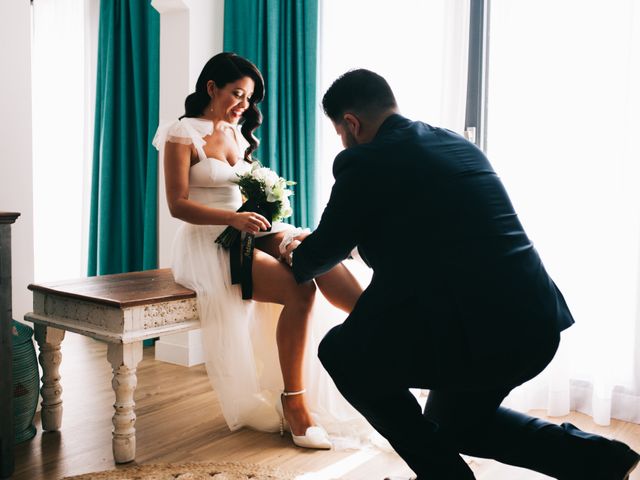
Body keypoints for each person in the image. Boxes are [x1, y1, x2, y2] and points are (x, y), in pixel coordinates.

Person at [284, 69, 640, 479]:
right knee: (456, 426)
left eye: (340, 133)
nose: (344, 142)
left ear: (351, 123)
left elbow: (319, 253)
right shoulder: (454, 143)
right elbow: (434, 229)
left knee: (341, 352)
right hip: (536, 322)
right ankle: (601, 460)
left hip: (478, 332)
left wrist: (293, 248)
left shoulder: (365, 161)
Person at [152, 52, 369, 450]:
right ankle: (295, 404)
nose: (244, 105)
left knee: (309, 249)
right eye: (237, 93)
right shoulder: (180, 133)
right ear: (211, 87)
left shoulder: (238, 134)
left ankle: (376, 323)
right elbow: (177, 204)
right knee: (299, 289)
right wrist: (234, 220)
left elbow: (246, 195)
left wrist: (263, 211)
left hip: (250, 227)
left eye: (249, 99)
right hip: (209, 240)